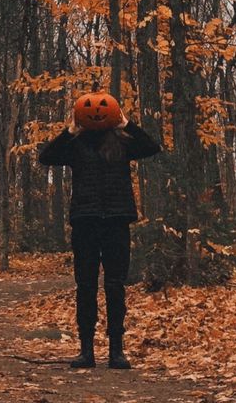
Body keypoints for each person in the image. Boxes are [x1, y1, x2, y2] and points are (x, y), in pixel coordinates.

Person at [38, 105, 161, 369]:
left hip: (117, 220)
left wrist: (125, 124)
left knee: (115, 286)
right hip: (85, 221)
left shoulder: (123, 142)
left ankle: (117, 350)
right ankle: (86, 350)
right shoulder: (76, 144)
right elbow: (46, 157)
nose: (97, 111)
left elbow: (152, 147)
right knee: (86, 286)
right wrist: (69, 130)